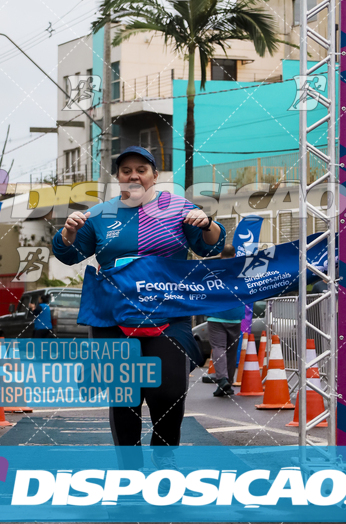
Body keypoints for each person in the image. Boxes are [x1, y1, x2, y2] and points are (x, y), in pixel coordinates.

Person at [52, 145, 225, 447]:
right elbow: (69, 255)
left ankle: (164, 459)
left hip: (168, 314)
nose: (134, 176)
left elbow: (210, 247)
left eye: (141, 170)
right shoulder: (98, 214)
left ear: (155, 176)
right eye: (126, 170)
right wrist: (66, 234)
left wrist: (207, 223)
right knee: (125, 396)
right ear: (118, 177)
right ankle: (129, 471)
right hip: (113, 316)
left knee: (168, 392)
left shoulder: (178, 207)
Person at [205, 244, 245, 397]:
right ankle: (228, 381)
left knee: (219, 347)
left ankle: (222, 380)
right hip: (235, 315)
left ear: (221, 255)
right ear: (235, 255)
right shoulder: (241, 269)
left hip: (216, 314)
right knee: (231, 350)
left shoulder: (213, 268)